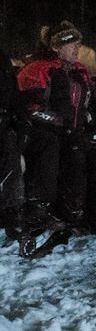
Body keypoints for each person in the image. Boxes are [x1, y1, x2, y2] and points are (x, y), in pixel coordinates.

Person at [16, 21, 91, 226]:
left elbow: (85, 101)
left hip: (71, 130)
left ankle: (88, 208)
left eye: (78, 43)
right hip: (38, 130)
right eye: (71, 44)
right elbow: (30, 108)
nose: (77, 48)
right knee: (51, 145)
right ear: (56, 47)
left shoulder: (79, 71)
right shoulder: (37, 69)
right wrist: (61, 124)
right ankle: (40, 204)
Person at [0, 49, 27, 239]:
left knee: (12, 154)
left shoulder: (2, 59)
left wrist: (21, 119)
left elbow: (12, 93)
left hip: (5, 121)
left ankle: (12, 211)